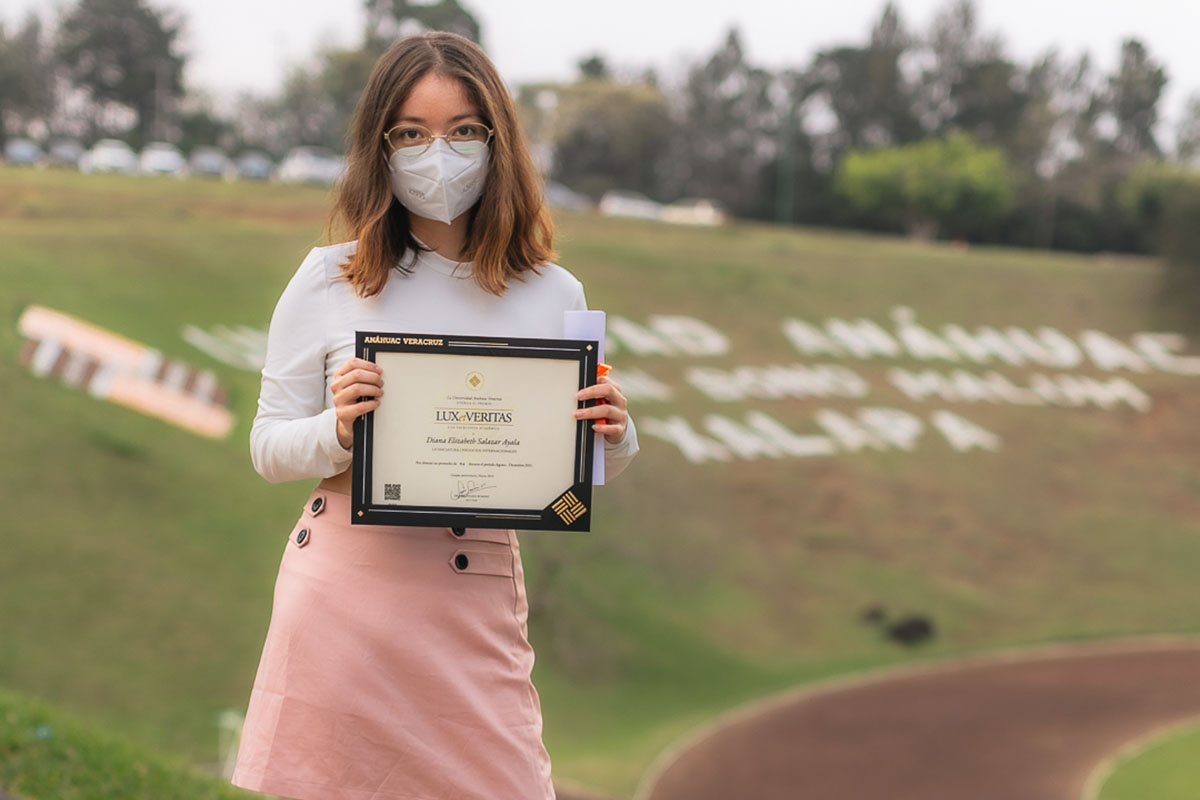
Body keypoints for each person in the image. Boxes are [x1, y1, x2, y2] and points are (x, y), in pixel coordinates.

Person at [231, 31, 639, 800]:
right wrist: (339, 429)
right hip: (345, 595)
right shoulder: (329, 277)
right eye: (411, 133)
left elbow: (578, 474)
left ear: (497, 142)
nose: (437, 154)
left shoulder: (554, 294)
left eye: (461, 131)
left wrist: (616, 433)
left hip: (473, 592)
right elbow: (266, 445)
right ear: (380, 147)